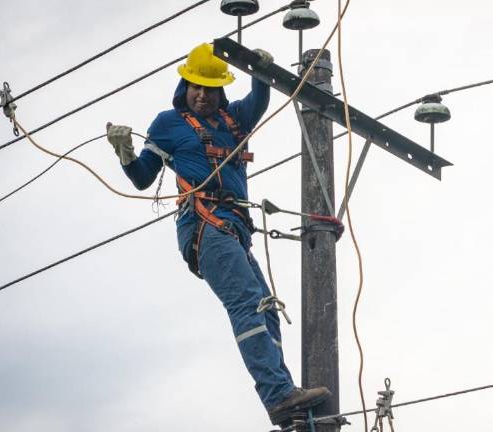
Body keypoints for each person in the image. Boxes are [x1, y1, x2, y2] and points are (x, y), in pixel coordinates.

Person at [105, 42, 330, 425]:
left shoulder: (233, 120)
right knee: (246, 302)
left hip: (235, 230)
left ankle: (288, 401)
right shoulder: (168, 124)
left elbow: (259, 100)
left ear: (221, 90)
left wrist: (261, 68)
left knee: (266, 310)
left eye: (210, 88)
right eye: (196, 86)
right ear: (185, 85)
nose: (202, 95)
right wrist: (125, 152)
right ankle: (277, 395)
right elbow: (143, 179)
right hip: (204, 226)